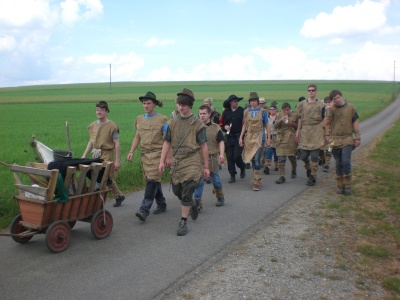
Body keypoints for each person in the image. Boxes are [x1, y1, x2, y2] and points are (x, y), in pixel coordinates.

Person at [159, 88, 210, 236]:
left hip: (193, 160)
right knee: (177, 190)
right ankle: (191, 204)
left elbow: (203, 146)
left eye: (184, 105)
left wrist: (206, 166)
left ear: (190, 106)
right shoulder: (172, 122)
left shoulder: (198, 124)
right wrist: (162, 161)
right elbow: (166, 143)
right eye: (179, 104)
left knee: (188, 189)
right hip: (178, 161)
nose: (181, 107)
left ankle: (183, 221)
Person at [126, 92, 168, 222]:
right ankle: (161, 203)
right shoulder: (139, 119)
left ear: (154, 104)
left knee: (151, 181)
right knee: (153, 180)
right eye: (144, 103)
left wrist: (167, 157)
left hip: (158, 154)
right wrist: (131, 151)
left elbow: (168, 140)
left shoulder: (162, 119)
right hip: (145, 155)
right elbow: (137, 137)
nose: (146, 105)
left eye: (148, 103)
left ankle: (144, 209)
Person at [82, 100, 125, 207]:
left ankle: (97, 201)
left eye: (102, 110)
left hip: (107, 154)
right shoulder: (93, 125)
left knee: (102, 176)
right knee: (100, 176)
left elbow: (117, 143)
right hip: (95, 154)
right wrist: (84, 155)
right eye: (97, 109)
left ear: (106, 112)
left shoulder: (112, 126)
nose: (99, 112)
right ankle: (119, 196)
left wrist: (117, 161)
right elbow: (91, 141)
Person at [324, 89, 361, 195]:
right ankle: (340, 185)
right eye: (334, 99)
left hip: (347, 138)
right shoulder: (332, 109)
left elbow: (355, 122)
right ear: (332, 100)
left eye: (338, 97)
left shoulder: (351, 107)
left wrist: (357, 137)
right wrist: (329, 109)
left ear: (341, 96)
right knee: (338, 163)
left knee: (345, 161)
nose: (337, 100)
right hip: (335, 139)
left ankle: (348, 184)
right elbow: (326, 122)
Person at [193, 105, 226, 207]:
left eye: (204, 114)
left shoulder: (215, 128)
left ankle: (220, 196)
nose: (202, 116)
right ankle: (197, 202)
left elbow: (221, 141)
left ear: (209, 115)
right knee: (199, 180)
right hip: (199, 158)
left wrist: (221, 154)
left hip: (212, 158)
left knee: (215, 179)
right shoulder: (195, 127)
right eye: (200, 114)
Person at [295, 84, 326, 186]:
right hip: (305, 131)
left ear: (316, 91)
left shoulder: (321, 104)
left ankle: (313, 175)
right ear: (307, 92)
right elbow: (300, 118)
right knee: (304, 156)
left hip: (317, 130)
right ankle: (308, 167)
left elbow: (324, 119)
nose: (311, 92)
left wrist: (326, 133)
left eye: (313, 90)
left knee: (314, 155)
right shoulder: (302, 104)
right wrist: (298, 131)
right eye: (309, 90)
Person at [239, 92, 270, 191]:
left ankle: (257, 181)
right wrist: (241, 137)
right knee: (252, 159)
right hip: (249, 137)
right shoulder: (246, 111)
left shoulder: (263, 111)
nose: (253, 103)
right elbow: (245, 125)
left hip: (259, 137)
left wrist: (269, 138)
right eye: (251, 101)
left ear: (257, 101)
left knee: (257, 160)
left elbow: (267, 125)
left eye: (254, 101)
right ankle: (255, 179)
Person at [220, 94, 246, 183]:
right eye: (235, 101)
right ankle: (232, 175)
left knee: (237, 156)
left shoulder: (242, 111)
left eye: (237, 101)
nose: (236, 102)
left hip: (239, 137)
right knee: (230, 157)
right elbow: (220, 124)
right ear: (230, 102)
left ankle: (242, 167)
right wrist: (225, 127)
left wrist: (242, 137)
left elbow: (245, 124)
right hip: (229, 137)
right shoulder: (226, 112)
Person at [274, 102, 299, 184]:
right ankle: (282, 176)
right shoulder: (279, 115)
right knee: (281, 157)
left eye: (287, 110)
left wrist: (291, 123)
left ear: (290, 109)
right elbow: (275, 126)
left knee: (291, 156)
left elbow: (298, 127)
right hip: (281, 138)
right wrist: (281, 120)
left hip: (291, 138)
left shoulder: (295, 115)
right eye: (284, 110)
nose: (286, 112)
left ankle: (294, 169)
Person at [264, 104, 278, 174]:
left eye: (273, 109)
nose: (272, 111)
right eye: (271, 109)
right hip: (268, 136)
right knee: (268, 151)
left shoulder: (278, 118)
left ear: (276, 110)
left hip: (276, 137)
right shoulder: (266, 118)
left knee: (276, 152)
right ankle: (267, 166)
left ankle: (277, 165)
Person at [320, 96, 334, 172]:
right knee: (320, 149)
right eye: (326, 103)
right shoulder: (321, 110)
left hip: (332, 132)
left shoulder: (334, 110)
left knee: (330, 148)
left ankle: (327, 164)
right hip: (321, 131)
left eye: (329, 103)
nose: (328, 104)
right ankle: (323, 160)